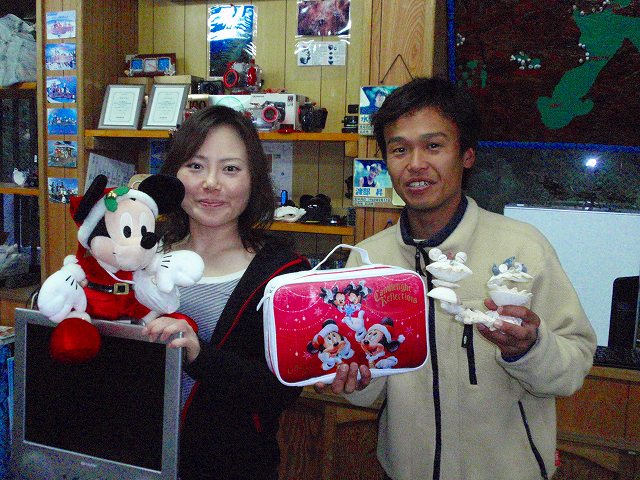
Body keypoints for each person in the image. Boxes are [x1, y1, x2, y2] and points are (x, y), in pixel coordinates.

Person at [315, 77, 596, 480]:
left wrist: (530, 349)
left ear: (466, 155)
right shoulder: (368, 261)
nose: (415, 164)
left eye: (433, 146)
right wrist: (354, 381)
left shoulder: (523, 247)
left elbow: (573, 366)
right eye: (399, 149)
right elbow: (371, 389)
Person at [142, 105, 309, 480]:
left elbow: (280, 392)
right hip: (136, 459)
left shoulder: (283, 275)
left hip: (232, 466)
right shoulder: (141, 255)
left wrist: (198, 354)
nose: (211, 183)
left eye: (230, 169)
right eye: (195, 166)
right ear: (174, 175)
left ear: (254, 180)